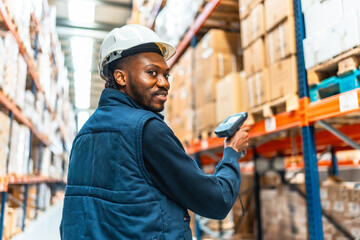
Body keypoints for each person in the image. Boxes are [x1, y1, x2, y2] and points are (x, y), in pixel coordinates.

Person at [60, 24, 249, 240]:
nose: (164, 83)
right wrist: (231, 153)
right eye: (152, 73)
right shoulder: (146, 129)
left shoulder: (84, 133)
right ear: (121, 77)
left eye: (166, 75)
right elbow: (216, 201)